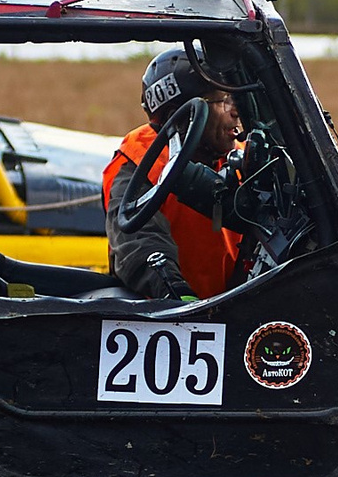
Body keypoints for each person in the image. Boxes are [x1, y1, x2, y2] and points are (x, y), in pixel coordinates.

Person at [102, 48, 247, 301]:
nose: (235, 111)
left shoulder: (246, 156)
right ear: (182, 116)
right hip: (167, 314)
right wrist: (177, 295)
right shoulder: (137, 164)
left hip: (238, 303)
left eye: (234, 99)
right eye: (223, 100)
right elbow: (139, 244)